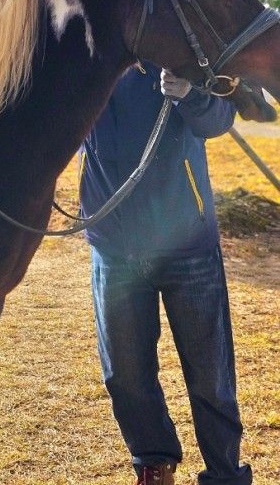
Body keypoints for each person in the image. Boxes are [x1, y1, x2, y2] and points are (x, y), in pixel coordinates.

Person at [80, 62, 251, 485]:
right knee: (125, 372)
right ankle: (153, 461)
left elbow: (220, 119)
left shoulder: (182, 48)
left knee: (210, 375)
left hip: (186, 242)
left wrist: (190, 93)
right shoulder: (90, 52)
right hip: (114, 245)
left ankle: (225, 475)